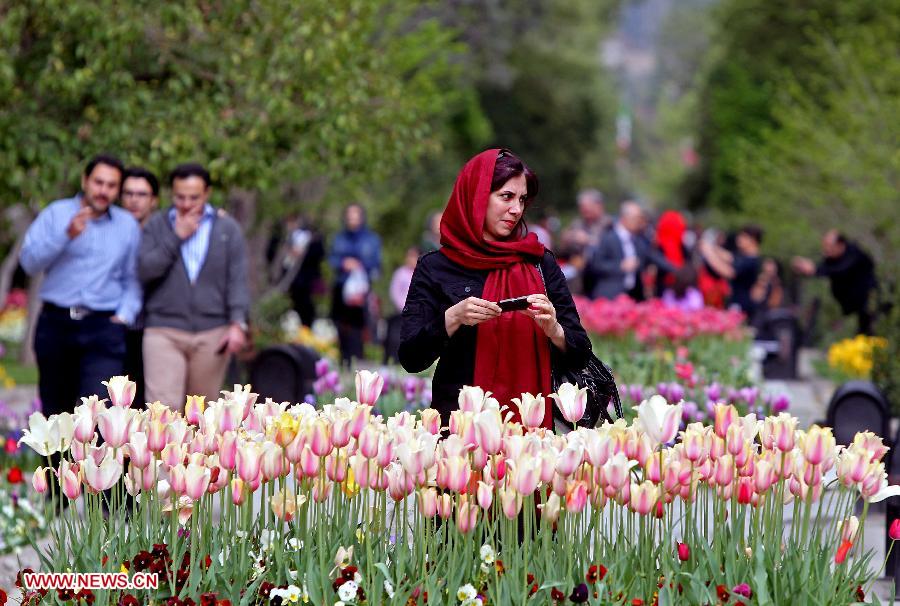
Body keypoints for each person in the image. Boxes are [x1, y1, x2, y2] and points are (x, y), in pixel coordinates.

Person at [399, 149, 592, 426]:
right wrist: (453, 318)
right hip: (459, 429)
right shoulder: (436, 267)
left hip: (530, 431)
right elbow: (411, 358)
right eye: (506, 196)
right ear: (476, 197)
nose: (517, 209)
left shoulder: (539, 261)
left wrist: (554, 330)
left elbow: (581, 352)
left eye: (522, 199)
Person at [20, 154, 141, 420]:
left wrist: (123, 316)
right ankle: (54, 464)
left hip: (103, 327)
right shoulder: (56, 213)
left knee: (100, 414)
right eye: (98, 182)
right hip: (56, 323)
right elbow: (29, 263)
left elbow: (132, 279)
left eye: (111, 186)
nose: (103, 191)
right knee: (56, 413)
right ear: (85, 180)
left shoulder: (127, 225)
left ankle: (95, 464)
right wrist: (65, 235)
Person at [138, 163, 250, 410]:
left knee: (202, 415)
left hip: (212, 332)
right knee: (161, 413)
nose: (187, 204)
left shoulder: (227, 229)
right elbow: (145, 270)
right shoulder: (157, 225)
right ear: (171, 193)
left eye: (194, 197)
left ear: (207, 193)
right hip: (163, 329)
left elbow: (237, 279)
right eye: (180, 197)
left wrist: (237, 323)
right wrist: (176, 236)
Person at [120, 166, 161, 407]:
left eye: (142, 194)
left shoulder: (166, 232)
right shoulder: (110, 231)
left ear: (154, 200)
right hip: (118, 328)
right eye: (129, 193)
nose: (134, 200)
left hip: (155, 329)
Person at [793, 230, 878, 334]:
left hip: (871, 302)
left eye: (829, 246)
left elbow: (841, 270)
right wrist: (806, 269)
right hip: (852, 307)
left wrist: (814, 269)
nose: (826, 249)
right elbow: (823, 269)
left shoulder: (854, 253)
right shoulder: (831, 258)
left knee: (870, 330)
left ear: (840, 245)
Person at [586, 201, 674, 300]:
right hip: (610, 295)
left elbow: (655, 258)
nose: (640, 222)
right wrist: (620, 266)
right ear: (625, 218)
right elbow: (596, 265)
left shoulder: (640, 240)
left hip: (634, 296)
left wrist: (679, 272)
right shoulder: (608, 238)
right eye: (637, 218)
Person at [329, 203, 382, 366]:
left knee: (359, 329)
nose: (352, 219)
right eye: (349, 215)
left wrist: (359, 265)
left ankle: (357, 360)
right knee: (340, 326)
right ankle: (342, 360)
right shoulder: (339, 238)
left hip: (361, 291)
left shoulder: (371, 239)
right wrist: (344, 264)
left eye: (355, 215)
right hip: (341, 289)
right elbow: (332, 259)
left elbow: (375, 265)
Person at [698, 225, 763, 317]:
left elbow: (728, 272)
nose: (739, 239)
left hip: (741, 304)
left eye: (743, 236)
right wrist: (711, 247)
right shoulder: (745, 257)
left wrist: (708, 252)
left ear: (753, 239)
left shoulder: (751, 261)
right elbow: (729, 257)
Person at [560, 189, 608, 296]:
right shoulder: (578, 223)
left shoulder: (609, 224)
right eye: (582, 208)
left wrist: (588, 240)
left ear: (598, 206)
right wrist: (569, 237)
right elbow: (564, 242)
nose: (585, 211)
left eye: (587, 208)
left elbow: (610, 246)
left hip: (600, 276)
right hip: (579, 276)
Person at [384, 246, 419, 363]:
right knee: (396, 338)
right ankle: (394, 359)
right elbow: (394, 292)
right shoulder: (400, 273)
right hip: (401, 312)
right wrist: (404, 307)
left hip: (417, 314)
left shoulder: (421, 273)